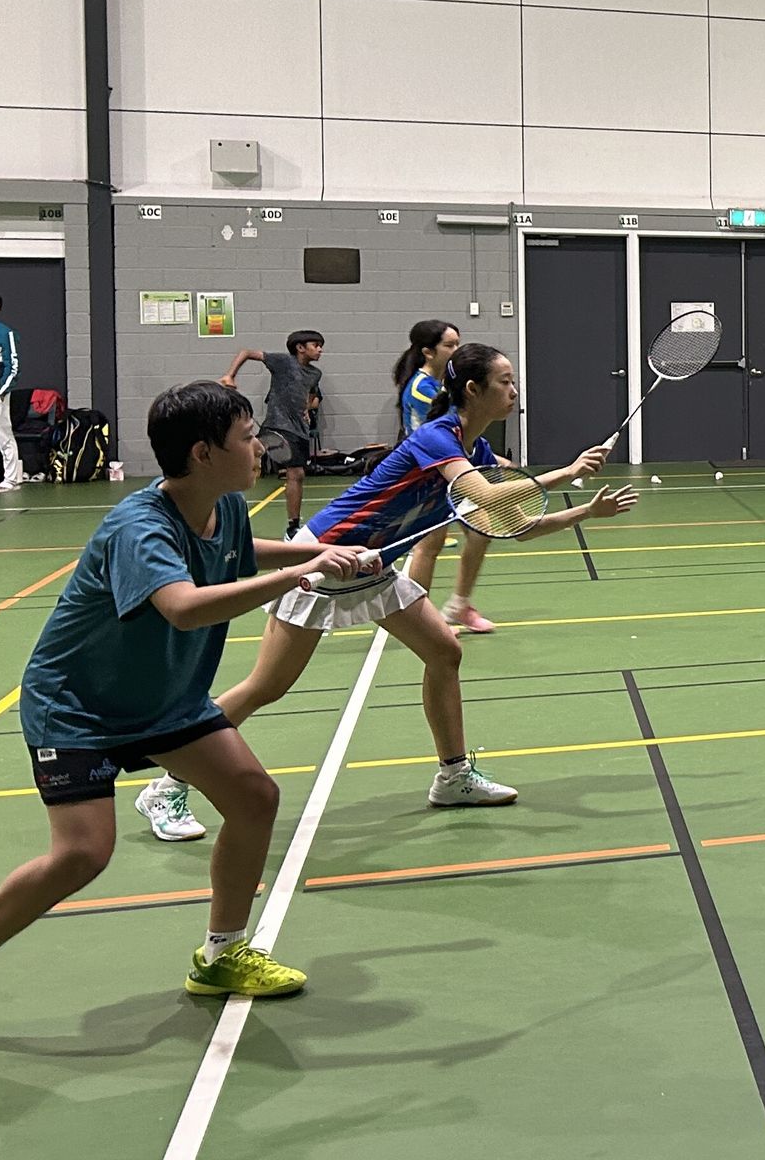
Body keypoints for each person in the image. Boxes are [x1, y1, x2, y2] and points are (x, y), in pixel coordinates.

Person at [131, 345, 634, 840]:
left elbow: (516, 524)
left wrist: (586, 511)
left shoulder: (477, 453)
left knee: (444, 651)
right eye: (505, 381)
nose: (514, 390)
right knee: (266, 687)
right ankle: (167, 785)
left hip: (374, 565)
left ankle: (454, 776)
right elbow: (482, 494)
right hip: (324, 558)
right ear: (473, 389)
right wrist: (567, 473)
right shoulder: (437, 437)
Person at [0, 383, 379, 996]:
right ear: (203, 453)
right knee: (82, 854)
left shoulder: (223, 506)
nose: (260, 448)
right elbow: (184, 608)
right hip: (78, 707)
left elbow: (236, 549)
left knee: (253, 798)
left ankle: (222, 955)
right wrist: (302, 573)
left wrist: (322, 549)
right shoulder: (139, 526)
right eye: (247, 438)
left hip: (162, 699)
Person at [391, 320, 499, 634]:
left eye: (458, 343)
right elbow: (454, 426)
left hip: (455, 474)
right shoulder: (421, 388)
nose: (456, 350)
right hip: (430, 478)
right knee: (429, 546)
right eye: (449, 345)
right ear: (428, 352)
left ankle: (459, 606)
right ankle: (419, 619)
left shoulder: (440, 385)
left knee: (481, 532)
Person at [222, 329, 326, 538]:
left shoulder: (315, 373)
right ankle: (292, 528)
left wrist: (307, 407)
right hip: (278, 426)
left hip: (300, 430)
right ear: (300, 348)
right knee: (293, 473)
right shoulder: (283, 362)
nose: (320, 350)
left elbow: (311, 392)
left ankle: (293, 525)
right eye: (315, 345)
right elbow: (246, 353)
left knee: (297, 475)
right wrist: (230, 375)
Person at [0, 292, 23, 492]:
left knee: (3, 435)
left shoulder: (5, 333)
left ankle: (11, 479)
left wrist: (1, 392)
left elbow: (14, 367)